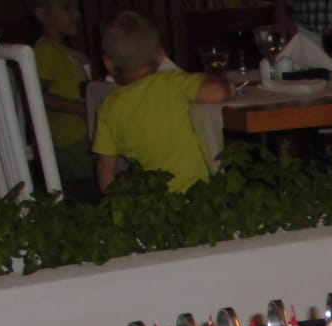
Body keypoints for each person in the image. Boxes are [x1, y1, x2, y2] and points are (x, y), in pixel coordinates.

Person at [92, 12, 230, 194]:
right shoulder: (174, 82)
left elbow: (104, 165)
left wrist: (112, 200)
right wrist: (225, 83)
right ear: (161, 55)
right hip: (198, 195)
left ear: (108, 63)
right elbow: (217, 92)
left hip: (152, 200)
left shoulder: (109, 107)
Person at [30, 0, 93, 183]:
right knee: (86, 185)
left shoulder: (64, 51)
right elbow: (37, 96)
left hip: (82, 134)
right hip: (70, 140)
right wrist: (79, 107)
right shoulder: (44, 50)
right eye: (67, 8)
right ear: (43, 15)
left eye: (77, 7)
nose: (76, 14)